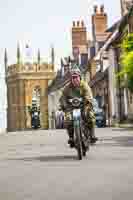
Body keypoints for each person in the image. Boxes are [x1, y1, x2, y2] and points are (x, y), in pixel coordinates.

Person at [59, 63, 98, 147]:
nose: (75, 79)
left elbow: (89, 94)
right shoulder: (67, 87)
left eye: (76, 77)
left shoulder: (84, 85)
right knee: (68, 119)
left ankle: (92, 135)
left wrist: (87, 100)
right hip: (71, 107)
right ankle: (71, 138)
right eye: (73, 78)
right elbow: (62, 98)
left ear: (80, 77)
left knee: (90, 115)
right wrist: (64, 105)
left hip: (83, 105)